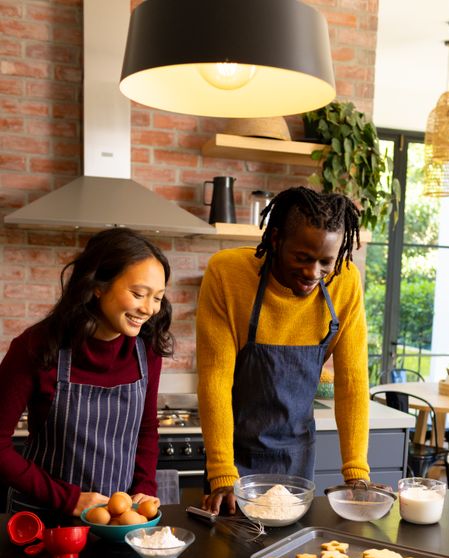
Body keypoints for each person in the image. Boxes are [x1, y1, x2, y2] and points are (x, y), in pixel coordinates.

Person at [196, 186, 370, 514]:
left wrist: (356, 473)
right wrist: (221, 474)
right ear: (275, 239)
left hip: (298, 458)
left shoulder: (345, 281)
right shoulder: (228, 273)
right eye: (302, 258)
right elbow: (214, 378)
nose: (312, 273)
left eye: (324, 263)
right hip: (233, 460)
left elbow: (352, 382)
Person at [0, 227, 174, 519]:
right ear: (97, 286)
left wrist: (144, 487)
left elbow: (146, 431)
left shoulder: (147, 350)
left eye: (157, 298)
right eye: (138, 294)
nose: (148, 309)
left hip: (117, 523)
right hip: (43, 518)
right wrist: (69, 499)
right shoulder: (36, 347)